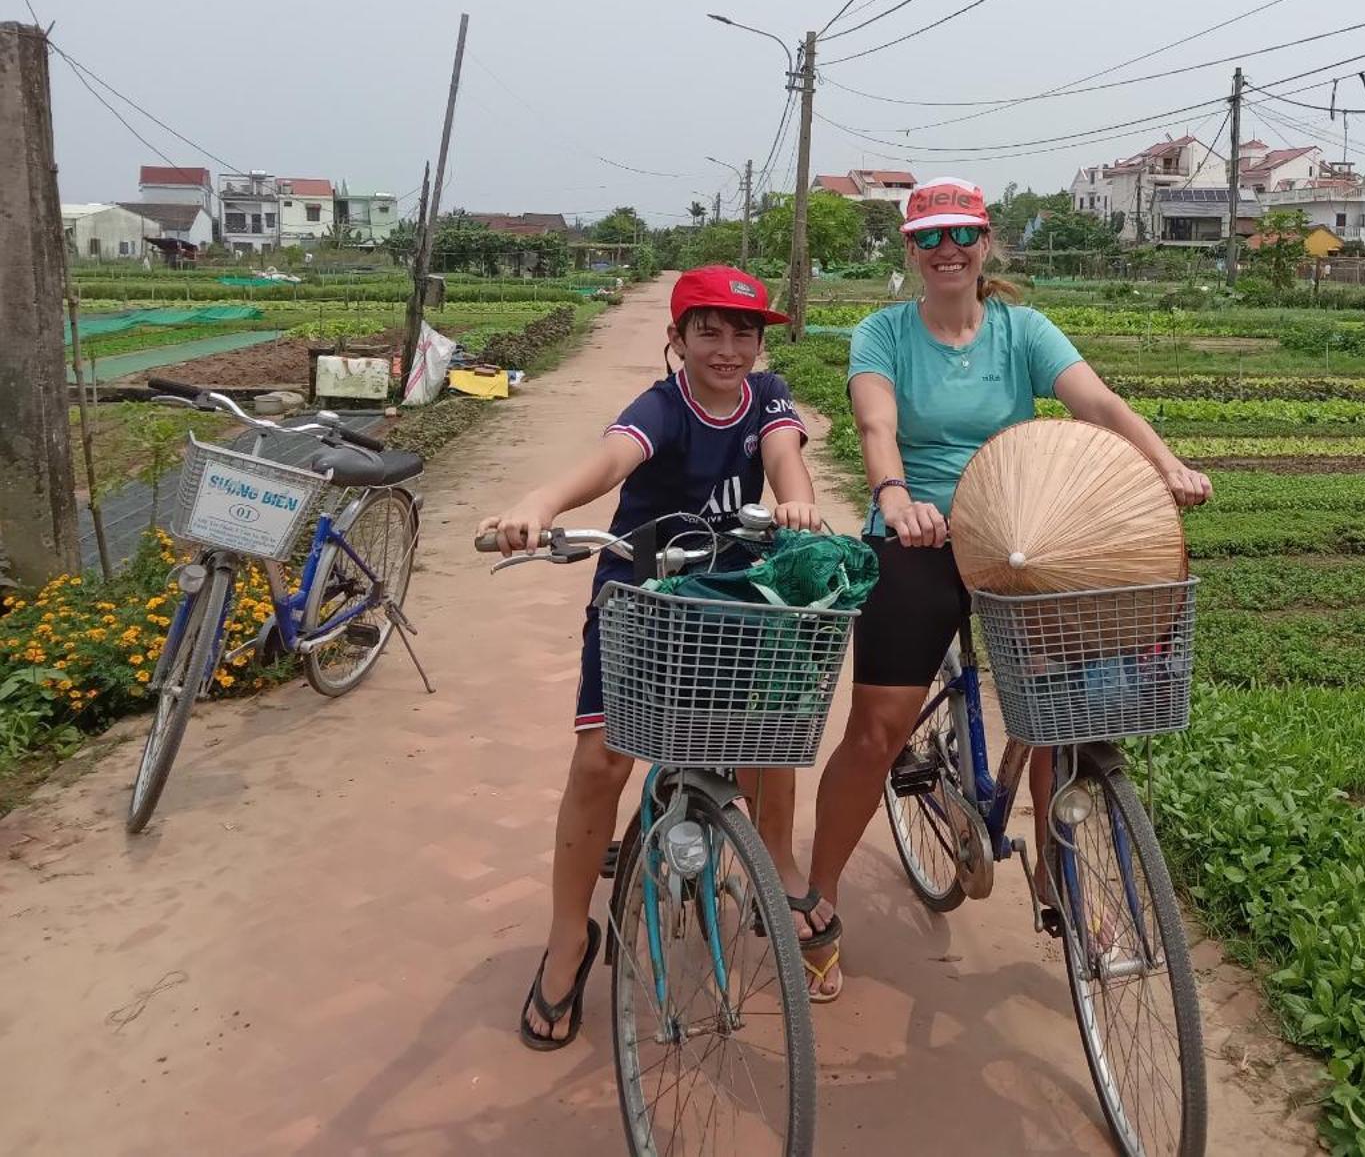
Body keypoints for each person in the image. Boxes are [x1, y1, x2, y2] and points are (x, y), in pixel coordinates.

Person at [800, 179, 1212, 1000]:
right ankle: (818, 895)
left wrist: (1162, 462)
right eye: (929, 238)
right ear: (910, 252)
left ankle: (1056, 883)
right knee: (878, 728)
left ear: (987, 244)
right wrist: (892, 497)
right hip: (922, 535)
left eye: (962, 235)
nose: (947, 250)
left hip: (1026, 542)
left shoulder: (1022, 330)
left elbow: (1096, 401)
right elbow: (876, 424)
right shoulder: (882, 333)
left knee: (1064, 722)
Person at [479, 265, 835, 1047]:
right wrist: (542, 504)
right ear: (676, 341)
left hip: (731, 595)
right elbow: (610, 461)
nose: (729, 347)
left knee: (773, 731)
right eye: (708, 330)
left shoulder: (768, 397)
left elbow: (784, 458)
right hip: (642, 595)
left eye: (744, 331)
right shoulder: (662, 407)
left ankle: (775, 870)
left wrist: (796, 500)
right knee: (603, 762)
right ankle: (571, 937)